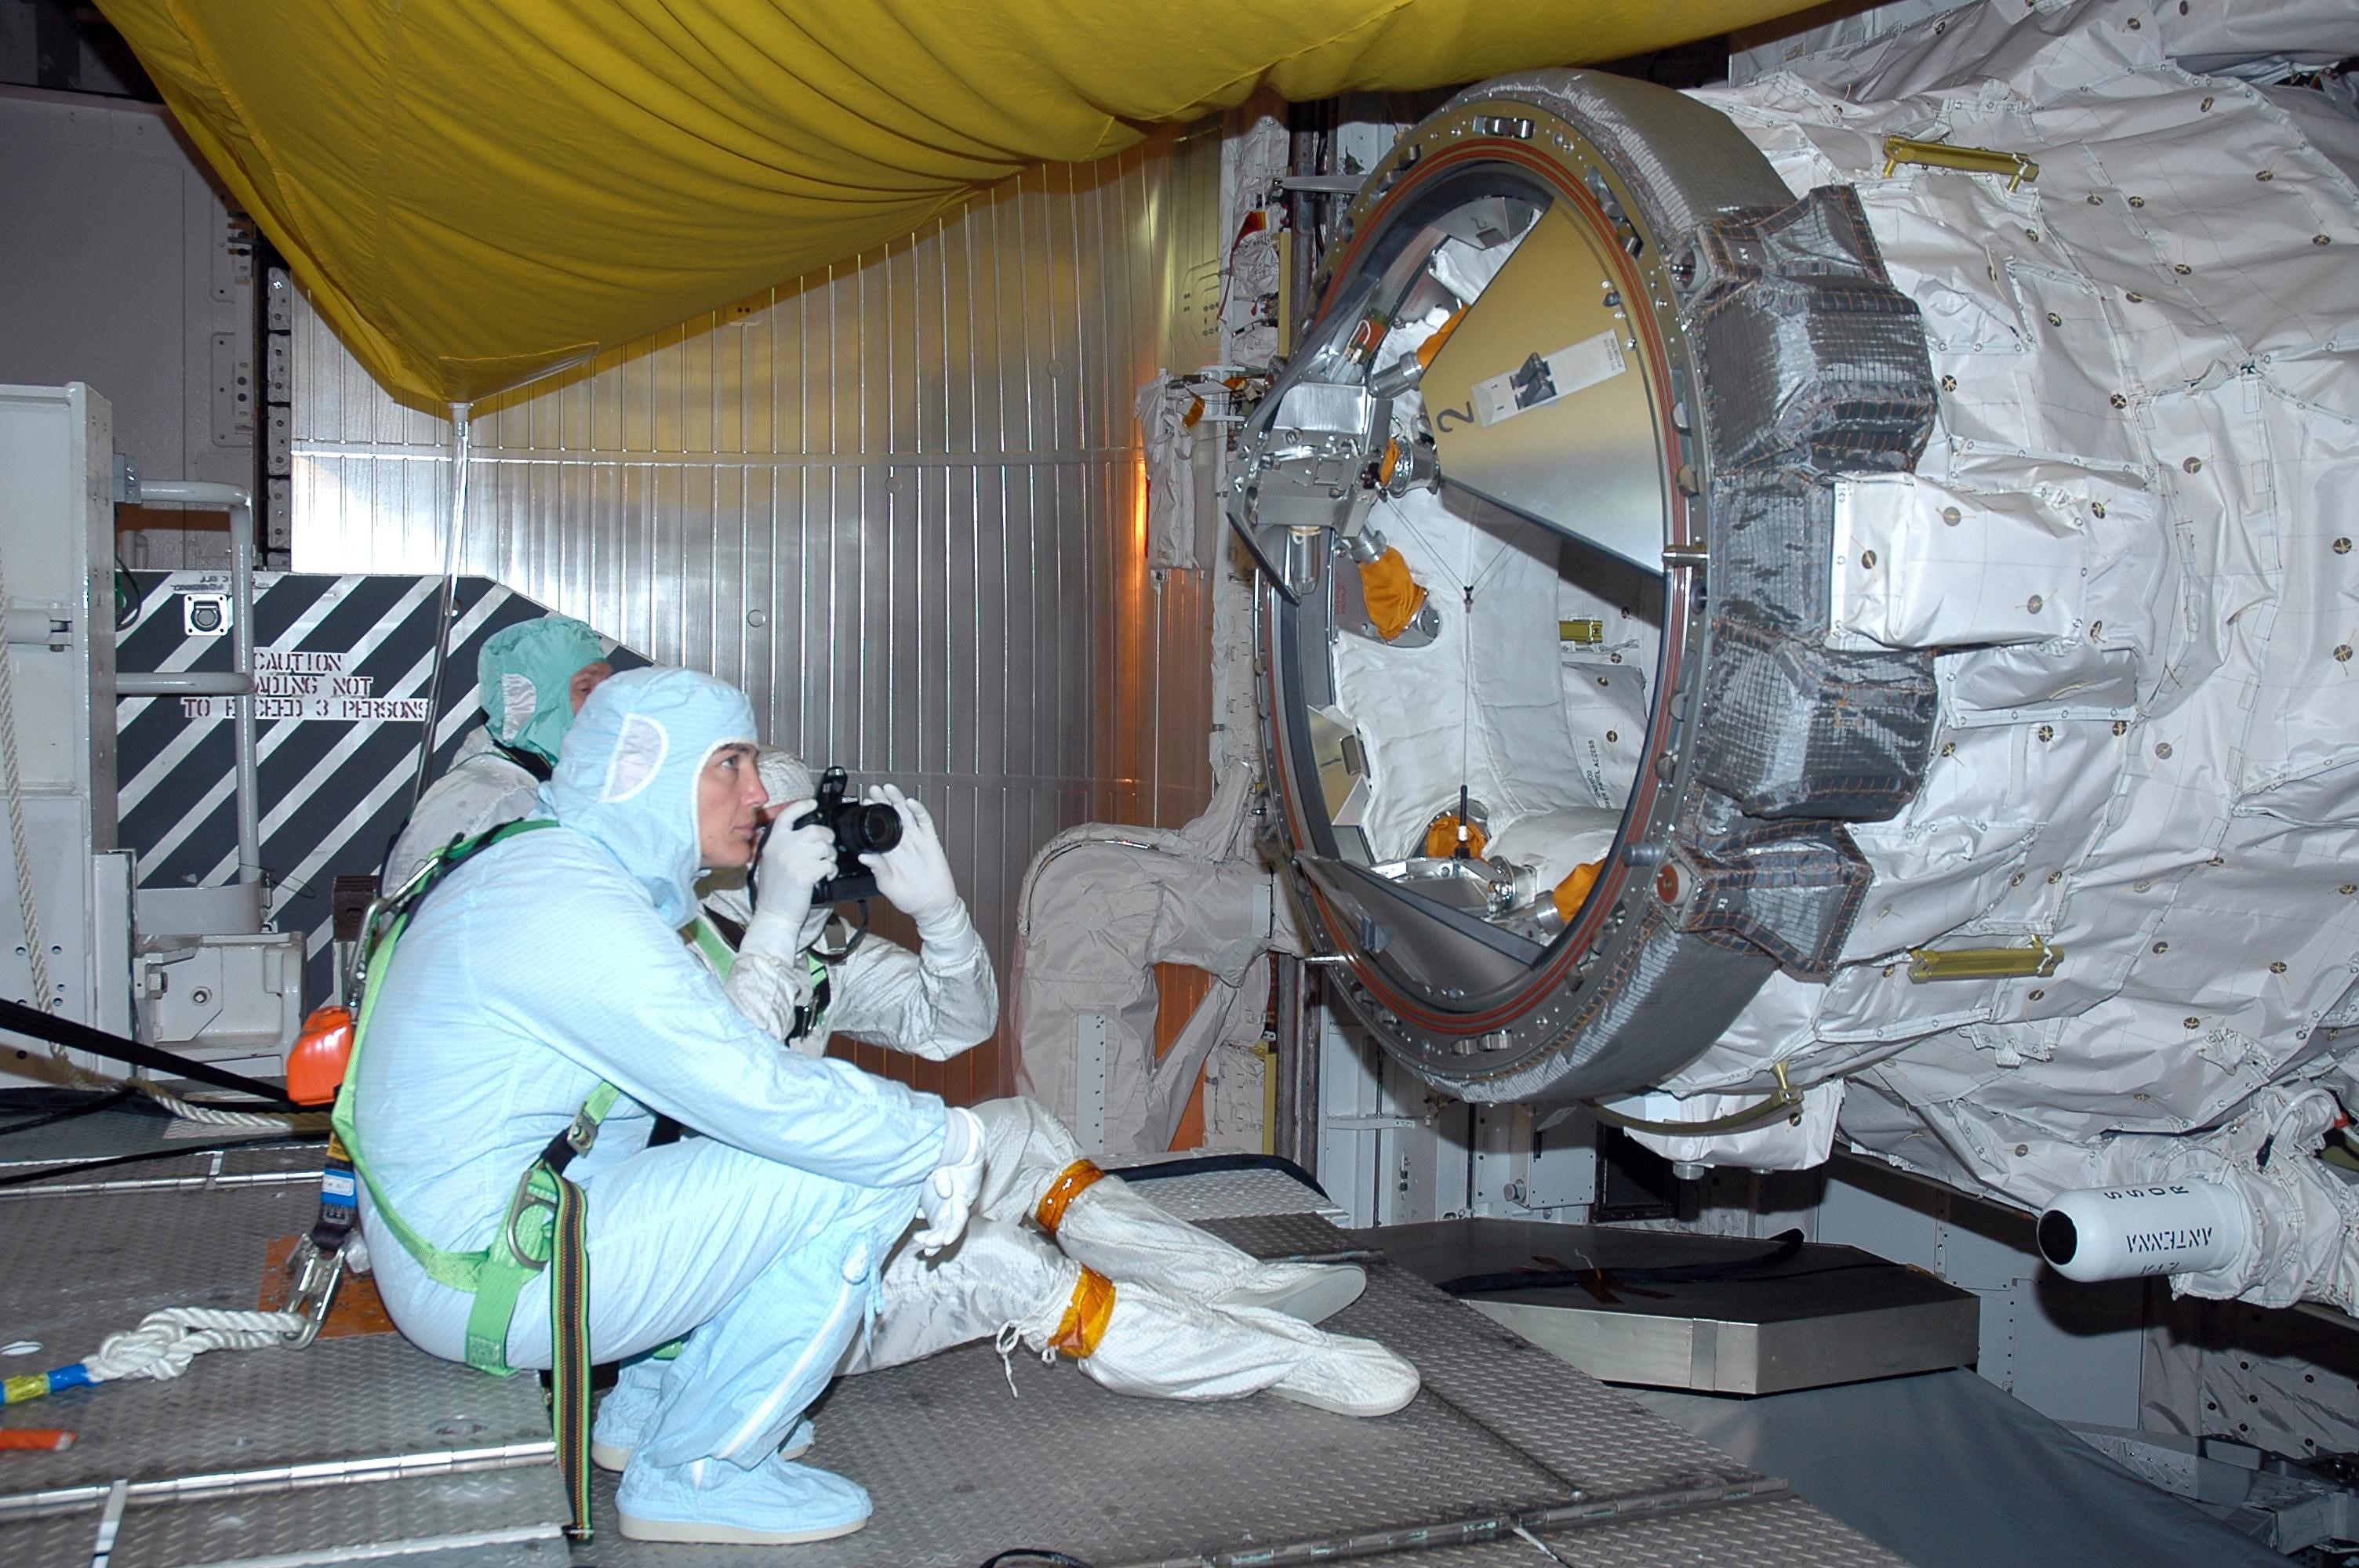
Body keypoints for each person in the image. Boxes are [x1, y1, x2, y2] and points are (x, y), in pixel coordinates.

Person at [342, 667, 987, 1545]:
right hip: (485, 1270)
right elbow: (749, 1089)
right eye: (730, 765)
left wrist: (941, 914)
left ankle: (649, 1408)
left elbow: (949, 1026)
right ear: (647, 767)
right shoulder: (579, 908)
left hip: (491, 1237)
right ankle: (698, 1468)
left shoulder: (582, 875)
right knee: (856, 1166)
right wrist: (937, 1133)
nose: (757, 799)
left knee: (813, 1139)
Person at [634, 747, 1417, 1435]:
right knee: (1009, 1265)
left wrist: (939, 917)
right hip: (732, 1299)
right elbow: (730, 1081)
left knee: (1024, 1129)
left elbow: (956, 1022)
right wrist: (773, 918)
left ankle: (1230, 1286)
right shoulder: (668, 950)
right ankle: (1271, 1359)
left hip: (803, 1224)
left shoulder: (808, 949)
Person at [382, 615, 612, 889]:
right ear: (535, 705)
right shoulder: (496, 802)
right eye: (586, 689)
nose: (607, 704)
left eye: (609, 688)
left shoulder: (533, 787)